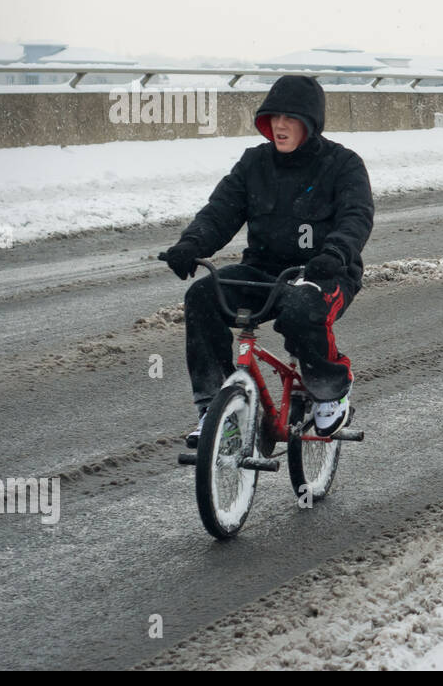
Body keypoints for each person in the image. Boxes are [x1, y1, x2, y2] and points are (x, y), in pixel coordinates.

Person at [159, 75, 375, 445]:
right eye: (274, 117)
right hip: (263, 271)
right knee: (202, 296)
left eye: (290, 118)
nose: (279, 125)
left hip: (325, 271)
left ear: (310, 122)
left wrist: (334, 253)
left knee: (302, 307)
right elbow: (220, 211)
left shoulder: (343, 164)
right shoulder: (254, 163)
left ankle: (330, 385)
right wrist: (190, 245)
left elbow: (356, 217)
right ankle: (216, 408)